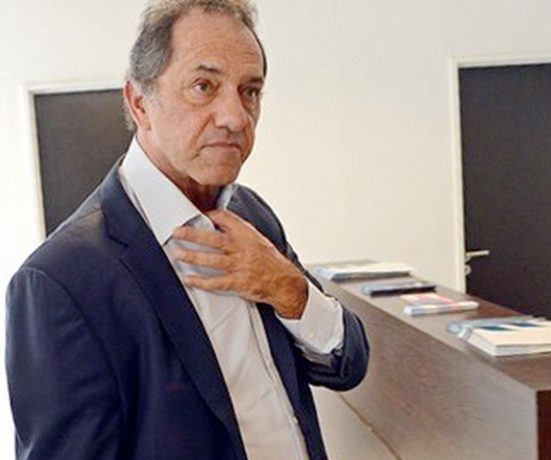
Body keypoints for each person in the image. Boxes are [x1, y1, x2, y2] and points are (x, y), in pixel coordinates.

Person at [5, 1, 369, 459]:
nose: (236, 117)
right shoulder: (59, 282)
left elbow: (348, 364)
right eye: (204, 86)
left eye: (250, 91)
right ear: (140, 103)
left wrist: (291, 291)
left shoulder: (252, 214)